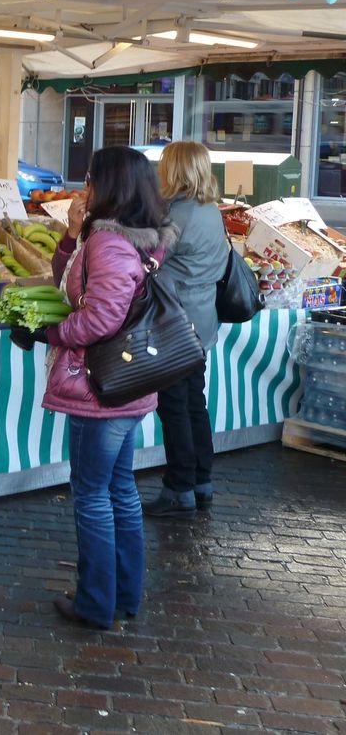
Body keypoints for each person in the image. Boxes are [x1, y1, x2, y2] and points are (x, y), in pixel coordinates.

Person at [11, 146, 175, 629]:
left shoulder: (108, 244)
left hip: (99, 390)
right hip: (131, 387)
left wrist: (50, 333)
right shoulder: (140, 241)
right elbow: (72, 286)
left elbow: (99, 317)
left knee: (92, 494)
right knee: (120, 489)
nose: (84, 187)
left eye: (90, 179)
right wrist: (71, 234)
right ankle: (124, 595)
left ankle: (95, 601)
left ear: (110, 187)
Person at [143, 142, 227, 517]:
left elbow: (148, 261)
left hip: (174, 321)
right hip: (203, 319)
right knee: (195, 401)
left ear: (174, 171)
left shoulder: (176, 216)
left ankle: (179, 487)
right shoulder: (212, 212)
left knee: (174, 405)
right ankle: (201, 481)